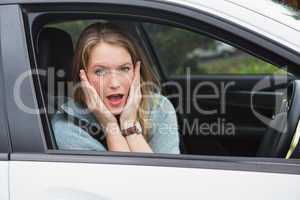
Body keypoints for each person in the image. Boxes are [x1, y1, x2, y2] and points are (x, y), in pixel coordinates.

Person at [51, 22, 179, 154]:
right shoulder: (67, 126)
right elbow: (125, 174)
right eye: (100, 71)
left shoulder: (159, 108)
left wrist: (129, 125)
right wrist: (110, 126)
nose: (114, 83)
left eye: (124, 69)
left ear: (136, 72)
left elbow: (163, 175)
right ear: (83, 77)